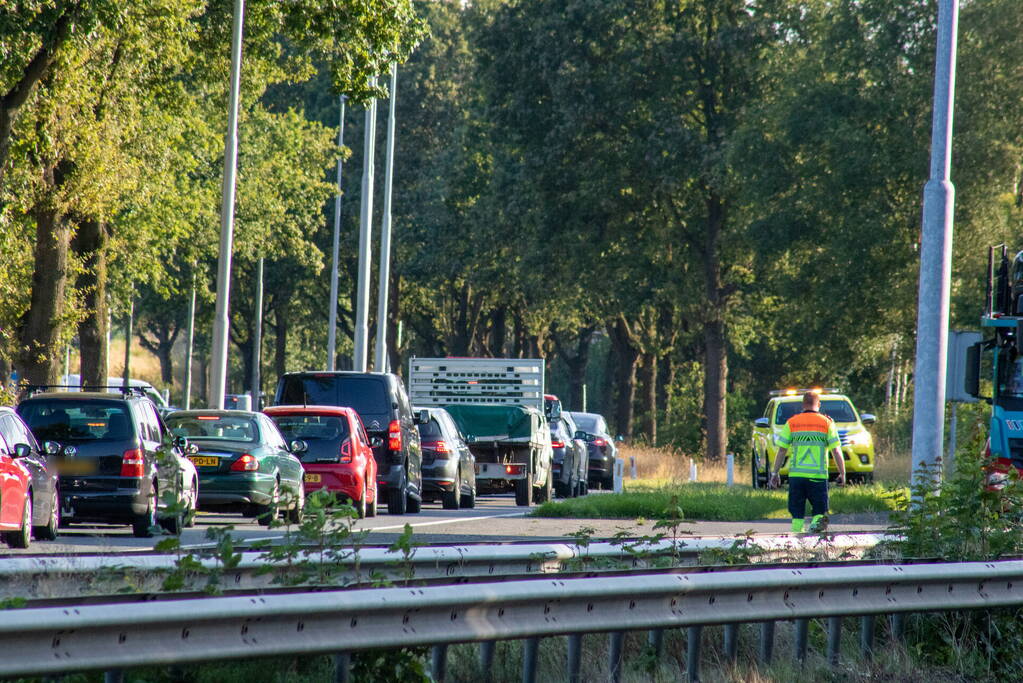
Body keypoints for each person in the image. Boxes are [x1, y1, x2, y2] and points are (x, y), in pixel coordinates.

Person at [769, 391, 846, 533]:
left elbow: (782, 450)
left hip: (797, 477)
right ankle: (815, 536)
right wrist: (842, 473)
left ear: (803, 404)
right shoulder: (827, 423)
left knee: (797, 513)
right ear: (819, 404)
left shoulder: (792, 422)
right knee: (819, 511)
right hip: (818, 476)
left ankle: (796, 538)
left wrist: (775, 473)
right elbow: (836, 450)